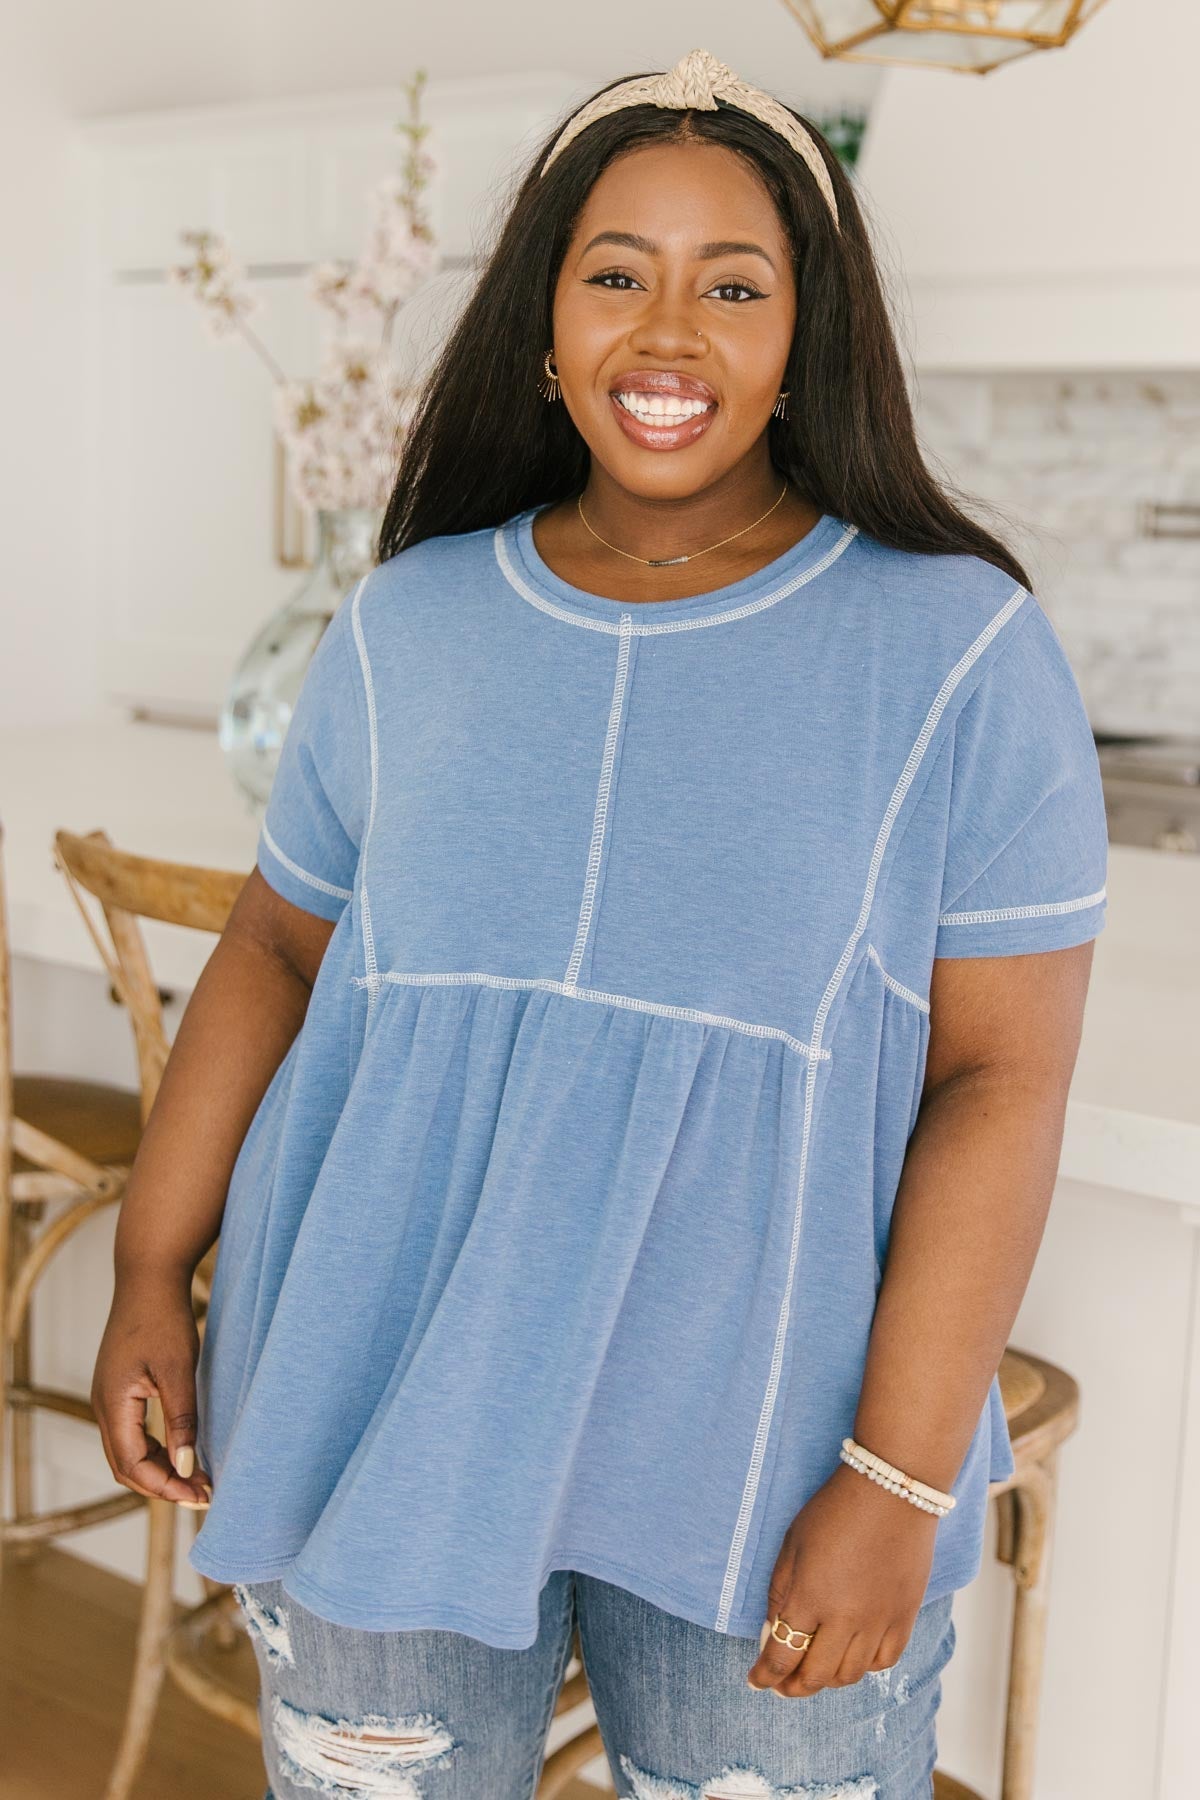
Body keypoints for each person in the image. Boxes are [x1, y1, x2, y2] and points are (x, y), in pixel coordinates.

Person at [91, 47, 1108, 1800]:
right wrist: (143, 1268)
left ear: (811, 334)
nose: (669, 328)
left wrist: (898, 1480)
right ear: (546, 323)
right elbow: (273, 950)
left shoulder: (956, 653)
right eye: (617, 272)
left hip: (767, 1456)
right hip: (372, 1397)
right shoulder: (410, 622)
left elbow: (999, 1081)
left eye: (735, 283)